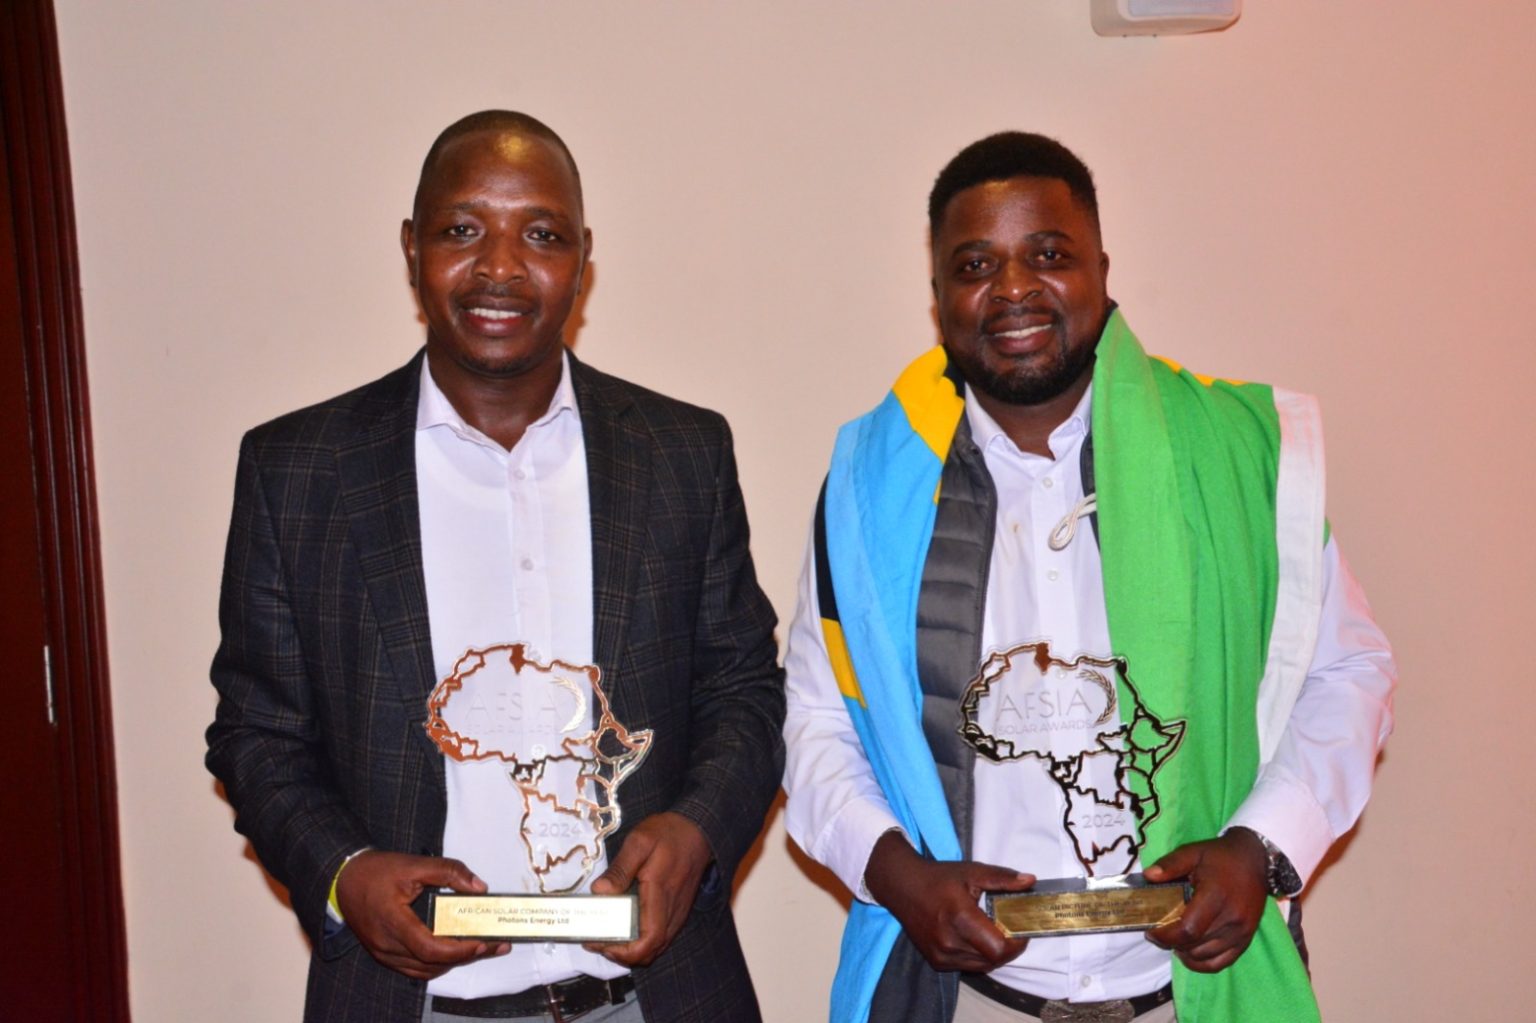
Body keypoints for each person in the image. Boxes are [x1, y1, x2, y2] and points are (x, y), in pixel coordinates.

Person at [781, 132, 1395, 1023]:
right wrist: (894, 871)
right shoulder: (871, 485)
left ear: (1101, 271)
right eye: (975, 264)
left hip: (1188, 992)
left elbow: (1349, 671)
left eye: (1049, 254)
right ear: (938, 297)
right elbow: (816, 717)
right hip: (972, 997)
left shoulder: (1236, 452)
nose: (1014, 288)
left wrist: (1261, 844)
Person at [207, 110, 784, 1023]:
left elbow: (743, 689)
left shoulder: (683, 452)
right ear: (412, 247)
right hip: (410, 1004)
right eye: (463, 229)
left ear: (584, 259)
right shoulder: (298, 471)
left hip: (661, 995)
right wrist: (344, 873)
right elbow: (256, 734)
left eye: (542, 235)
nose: (501, 267)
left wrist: (697, 827)